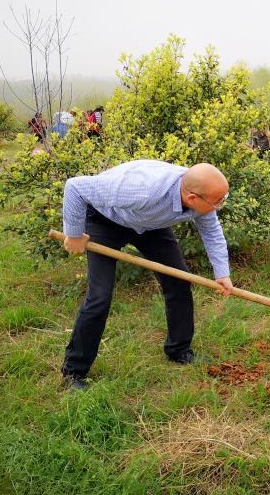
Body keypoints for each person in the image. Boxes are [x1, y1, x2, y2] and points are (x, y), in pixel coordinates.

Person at [59, 160, 234, 390]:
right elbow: (75, 187)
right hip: (106, 221)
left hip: (150, 225)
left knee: (180, 281)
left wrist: (222, 273)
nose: (220, 205)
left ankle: (179, 350)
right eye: (218, 202)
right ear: (192, 198)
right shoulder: (143, 189)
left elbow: (211, 231)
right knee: (99, 297)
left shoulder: (200, 195)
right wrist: (73, 234)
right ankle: (73, 372)